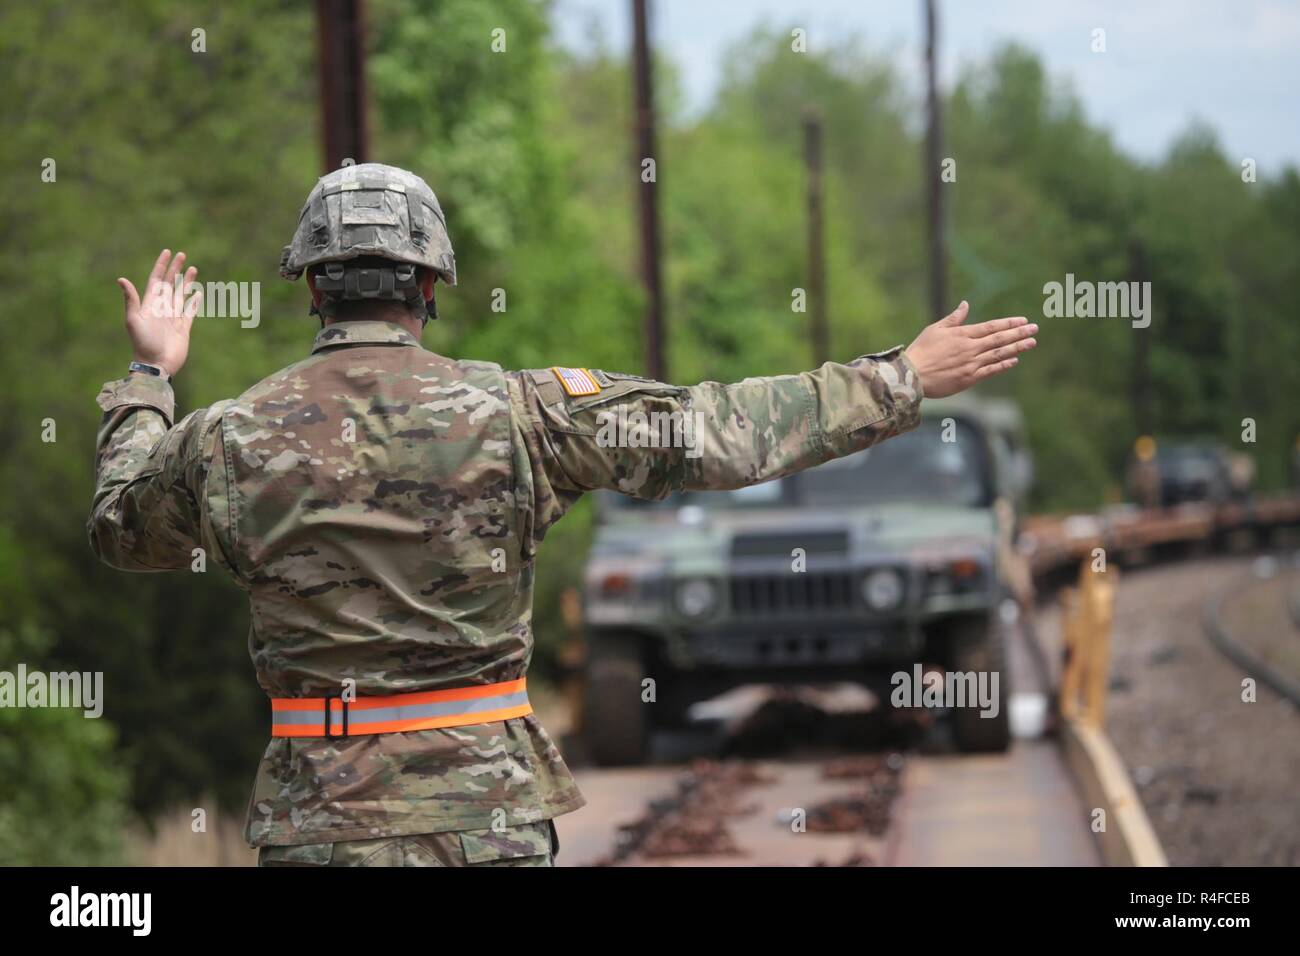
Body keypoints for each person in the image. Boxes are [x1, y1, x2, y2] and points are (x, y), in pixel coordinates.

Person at [88, 163, 1037, 867]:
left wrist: (150, 377)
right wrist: (900, 378)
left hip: (320, 823)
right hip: (487, 818)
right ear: (430, 287)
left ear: (309, 286)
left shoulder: (230, 438)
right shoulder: (525, 413)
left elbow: (122, 530)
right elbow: (721, 430)